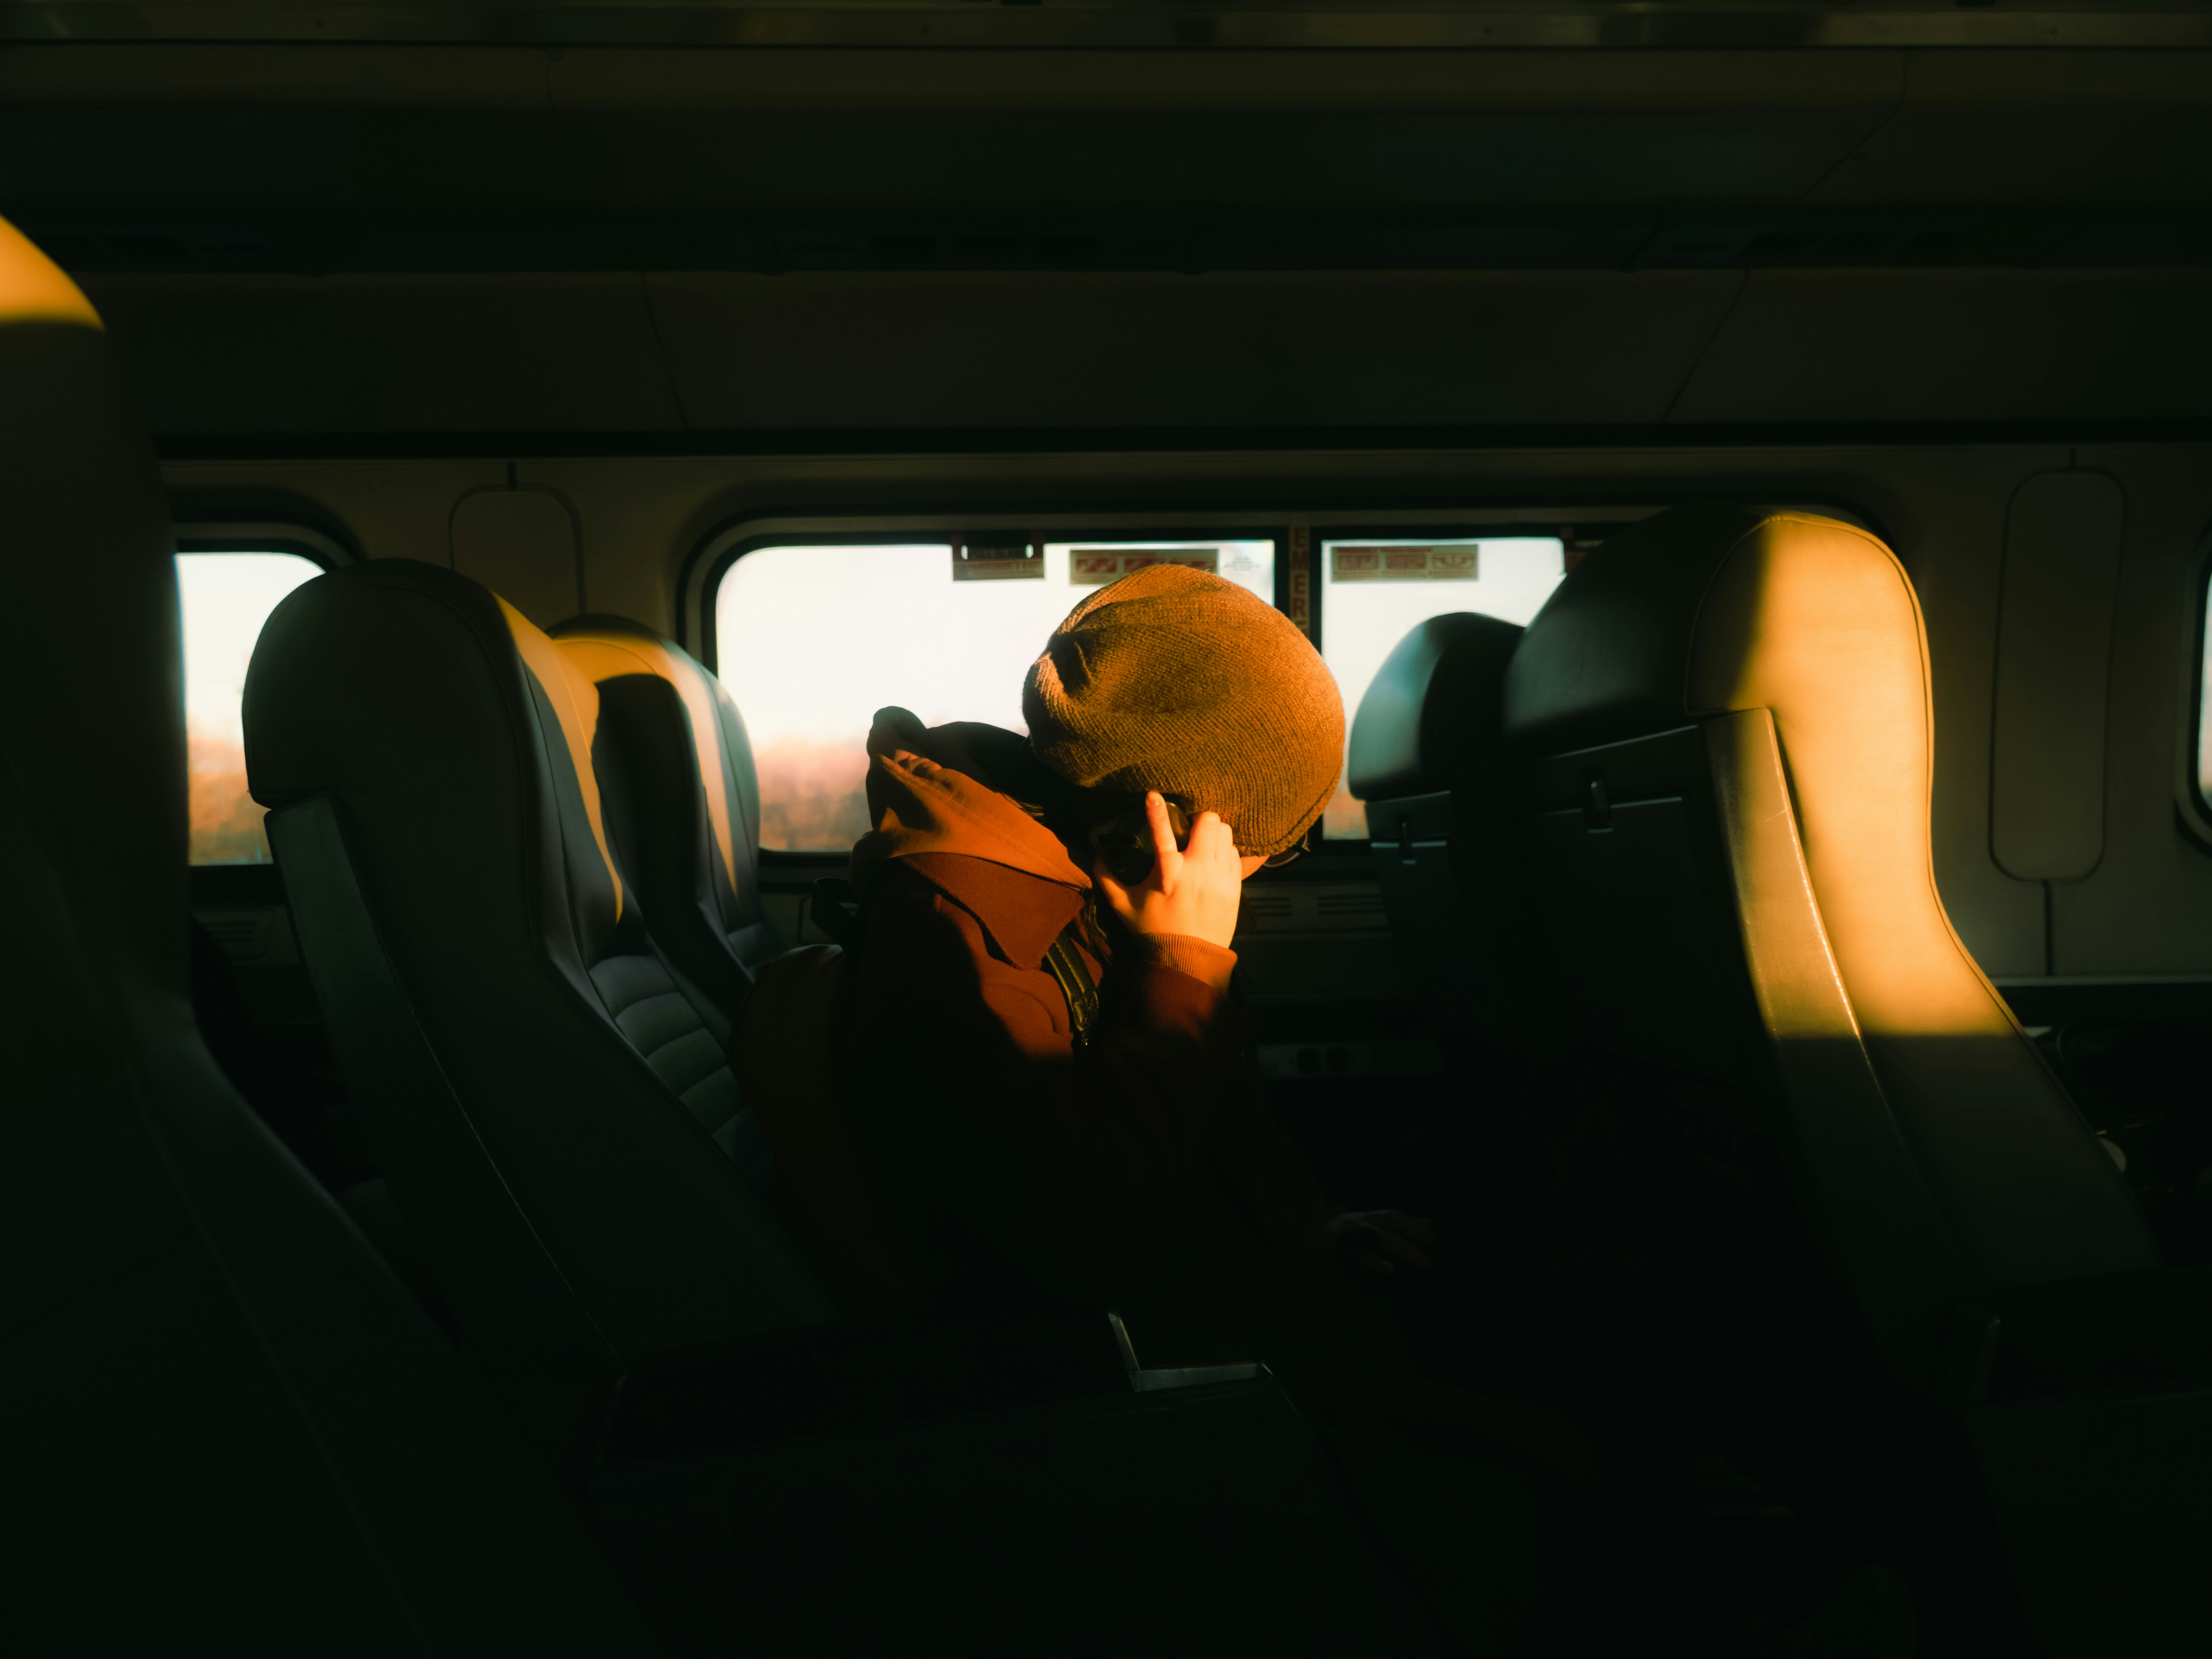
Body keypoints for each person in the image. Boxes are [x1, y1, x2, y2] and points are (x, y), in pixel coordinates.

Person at [735, 565, 1590, 1648]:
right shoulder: (958, 945)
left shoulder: (1078, 890)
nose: (1260, 874)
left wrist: (1299, 1233)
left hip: (1216, 1301)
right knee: (1542, 1472)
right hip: (1148, 1389)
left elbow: (1171, 1144)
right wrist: (1183, 968)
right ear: (1170, 824)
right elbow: (1072, 1255)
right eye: (1261, 848)